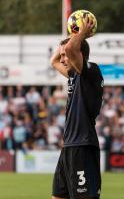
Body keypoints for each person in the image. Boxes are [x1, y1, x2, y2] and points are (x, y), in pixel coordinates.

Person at [50, 15, 104, 199]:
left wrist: (80, 34)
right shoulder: (74, 75)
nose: (63, 58)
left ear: (79, 53)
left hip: (83, 145)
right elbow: (53, 61)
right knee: (58, 196)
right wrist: (70, 37)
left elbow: (71, 49)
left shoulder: (91, 71)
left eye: (66, 55)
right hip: (69, 146)